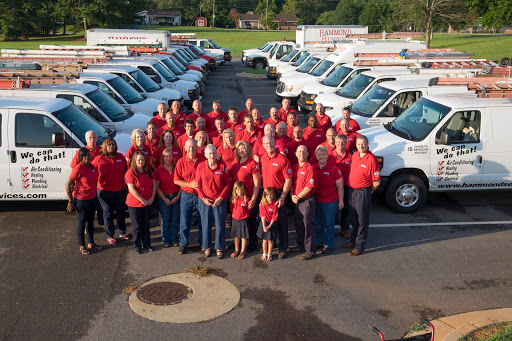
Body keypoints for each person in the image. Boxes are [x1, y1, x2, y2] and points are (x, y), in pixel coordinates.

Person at [343, 135, 380, 256]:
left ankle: (360, 246)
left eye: (363, 144)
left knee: (362, 220)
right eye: (359, 144)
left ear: (368, 144)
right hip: (351, 191)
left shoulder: (372, 159)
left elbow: (376, 181)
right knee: (353, 218)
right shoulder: (354, 155)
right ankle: (353, 241)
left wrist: (368, 191)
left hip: (363, 192)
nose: (361, 146)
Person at [195, 144, 231, 259]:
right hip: (205, 201)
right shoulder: (200, 166)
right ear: (205, 155)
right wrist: (203, 198)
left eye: (214, 153)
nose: (212, 155)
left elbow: (227, 184)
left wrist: (221, 197)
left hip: (220, 200)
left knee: (220, 225)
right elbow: (198, 185)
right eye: (209, 153)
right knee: (206, 224)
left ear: (217, 154)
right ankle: (207, 246)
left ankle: (219, 247)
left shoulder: (222, 166)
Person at [92, 138, 130, 245]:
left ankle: (122, 232)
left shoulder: (121, 157)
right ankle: (109, 235)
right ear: (105, 146)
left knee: (121, 212)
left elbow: (126, 170)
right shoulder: (98, 159)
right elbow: (90, 170)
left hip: (120, 190)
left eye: (113, 144)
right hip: (105, 192)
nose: (111, 146)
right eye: (109, 145)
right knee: (107, 213)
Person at [260, 135, 292, 259]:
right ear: (263, 145)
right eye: (266, 143)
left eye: (271, 143)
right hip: (265, 195)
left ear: (275, 143)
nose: (269, 145)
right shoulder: (262, 158)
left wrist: (283, 196)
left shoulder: (282, 159)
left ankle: (283, 247)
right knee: (267, 221)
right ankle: (269, 247)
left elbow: (288, 179)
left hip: (278, 194)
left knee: (282, 221)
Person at [66, 147, 101, 255]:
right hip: (81, 200)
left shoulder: (92, 167)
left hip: (92, 198)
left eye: (89, 155)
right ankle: (82, 245)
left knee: (90, 221)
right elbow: (68, 184)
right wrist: (70, 201)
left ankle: (91, 243)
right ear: (81, 157)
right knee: (81, 222)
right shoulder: (78, 168)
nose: (88, 157)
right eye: (85, 155)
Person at [174, 138, 206, 254]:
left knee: (202, 220)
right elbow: (176, 181)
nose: (191, 149)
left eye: (193, 147)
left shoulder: (203, 160)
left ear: (197, 147)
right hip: (186, 195)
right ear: (185, 148)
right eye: (189, 147)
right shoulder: (181, 162)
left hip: (200, 195)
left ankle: (203, 242)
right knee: (185, 220)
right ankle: (183, 243)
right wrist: (190, 184)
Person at [230, 140, 261, 251]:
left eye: (243, 148)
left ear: (248, 149)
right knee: (236, 220)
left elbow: (257, 184)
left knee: (251, 220)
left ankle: (253, 242)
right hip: (236, 197)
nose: (241, 150)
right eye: (239, 149)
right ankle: (237, 245)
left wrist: (253, 199)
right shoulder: (234, 163)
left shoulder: (253, 164)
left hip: (248, 196)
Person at [69, 130, 103, 227]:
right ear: (86, 139)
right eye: (90, 138)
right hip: (85, 188)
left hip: (99, 184)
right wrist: (74, 184)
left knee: (99, 206)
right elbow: (74, 169)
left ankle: (101, 223)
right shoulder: (81, 152)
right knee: (85, 212)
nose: (92, 140)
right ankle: (84, 228)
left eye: (94, 137)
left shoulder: (101, 150)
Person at [314, 145, 344, 254]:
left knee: (328, 224)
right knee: (317, 223)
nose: (321, 156)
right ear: (316, 156)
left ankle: (329, 245)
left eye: (323, 154)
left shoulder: (334, 169)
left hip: (330, 202)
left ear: (327, 156)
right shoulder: (314, 168)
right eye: (319, 155)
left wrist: (341, 201)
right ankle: (319, 241)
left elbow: (340, 186)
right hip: (317, 201)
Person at [125, 151, 157, 254]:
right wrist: (142, 200)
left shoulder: (148, 171)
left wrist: (152, 198)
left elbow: (154, 184)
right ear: (134, 160)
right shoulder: (130, 172)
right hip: (135, 204)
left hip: (147, 202)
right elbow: (132, 189)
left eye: (142, 159)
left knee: (146, 225)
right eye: (139, 160)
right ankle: (137, 245)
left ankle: (147, 244)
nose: (141, 161)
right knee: (137, 226)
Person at [291, 145, 317, 260]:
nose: (302, 153)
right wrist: (292, 195)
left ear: (307, 154)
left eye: (304, 152)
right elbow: (291, 184)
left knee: (308, 226)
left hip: (306, 201)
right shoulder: (294, 167)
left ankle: (310, 251)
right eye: (300, 151)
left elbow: (309, 187)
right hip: (296, 201)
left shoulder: (310, 168)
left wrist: (297, 197)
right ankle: (301, 245)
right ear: (296, 153)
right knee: (299, 224)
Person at [155, 148, 182, 247]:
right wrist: (164, 199)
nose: (168, 158)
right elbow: (157, 187)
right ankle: (166, 239)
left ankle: (174, 238)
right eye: (166, 156)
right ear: (163, 157)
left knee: (175, 218)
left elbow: (181, 185)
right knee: (166, 219)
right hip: (164, 197)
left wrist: (178, 197)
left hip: (175, 196)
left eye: (170, 156)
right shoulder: (159, 170)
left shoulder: (177, 168)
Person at [329, 134, 352, 239]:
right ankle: (330, 228)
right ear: (335, 143)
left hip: (346, 187)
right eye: (338, 142)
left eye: (343, 142)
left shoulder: (351, 157)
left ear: (346, 143)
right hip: (332, 187)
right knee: (332, 209)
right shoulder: (330, 156)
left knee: (345, 208)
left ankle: (345, 228)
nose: (341, 144)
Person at [230, 181, 251, 260]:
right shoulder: (233, 199)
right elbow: (232, 209)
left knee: (243, 236)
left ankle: (243, 251)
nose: (240, 191)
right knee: (236, 236)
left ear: (244, 190)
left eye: (242, 189)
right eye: (238, 190)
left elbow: (249, 209)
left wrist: (244, 215)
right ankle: (236, 250)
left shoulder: (246, 199)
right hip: (235, 219)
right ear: (235, 190)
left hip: (244, 220)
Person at [257, 187, 279, 261]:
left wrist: (269, 226)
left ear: (273, 195)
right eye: (267, 195)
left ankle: (269, 253)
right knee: (264, 240)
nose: (269, 197)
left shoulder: (275, 204)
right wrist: (264, 225)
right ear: (265, 196)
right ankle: (264, 253)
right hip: (264, 223)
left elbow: (274, 216)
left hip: (271, 224)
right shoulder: (262, 204)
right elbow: (262, 215)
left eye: (271, 195)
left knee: (270, 240)